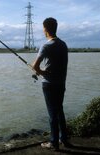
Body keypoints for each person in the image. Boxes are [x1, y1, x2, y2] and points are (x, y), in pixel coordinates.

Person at [32, 17, 70, 150]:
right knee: (60, 111)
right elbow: (56, 65)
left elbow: (34, 66)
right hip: (61, 83)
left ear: (46, 29)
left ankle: (54, 142)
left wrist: (41, 72)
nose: (43, 30)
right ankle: (64, 139)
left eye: (43, 28)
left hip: (49, 85)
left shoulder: (46, 45)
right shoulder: (63, 44)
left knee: (52, 114)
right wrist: (43, 71)